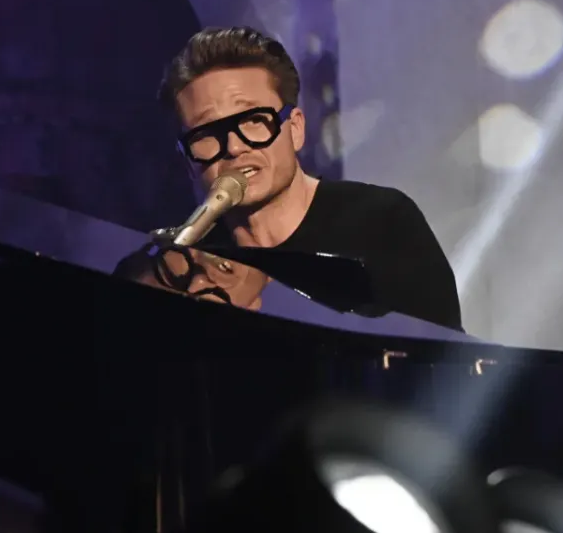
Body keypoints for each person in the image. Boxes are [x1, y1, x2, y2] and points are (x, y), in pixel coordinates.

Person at [126, 26, 463, 331]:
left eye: (253, 120)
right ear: (187, 160)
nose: (235, 147)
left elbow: (444, 359)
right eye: (206, 134)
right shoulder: (185, 265)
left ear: (296, 129)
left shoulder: (382, 222)